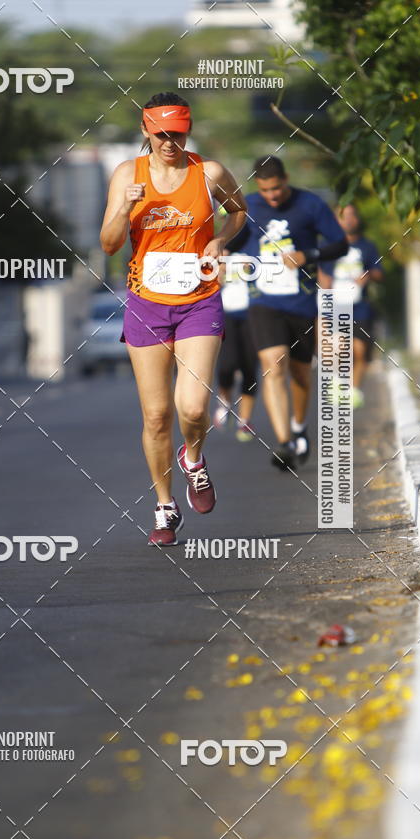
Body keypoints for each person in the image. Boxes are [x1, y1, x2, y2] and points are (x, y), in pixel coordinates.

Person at [100, 92, 246, 545]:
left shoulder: (210, 173)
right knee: (158, 414)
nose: (169, 142)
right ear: (146, 131)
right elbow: (107, 244)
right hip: (147, 304)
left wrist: (221, 240)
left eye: (177, 133)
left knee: (193, 407)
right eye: (161, 134)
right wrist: (125, 207)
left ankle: (195, 459)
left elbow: (240, 212)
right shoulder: (128, 174)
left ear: (188, 130)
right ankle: (165, 506)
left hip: (200, 299)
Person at [242, 156, 348, 471]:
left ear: (286, 179)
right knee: (273, 366)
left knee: (300, 372)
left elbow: (340, 245)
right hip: (263, 301)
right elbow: (230, 241)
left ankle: (299, 426)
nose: (272, 196)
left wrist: (309, 254)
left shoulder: (310, 204)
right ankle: (285, 442)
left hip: (301, 302)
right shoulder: (246, 207)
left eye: (276, 188)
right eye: (265, 190)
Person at [335, 203, 383, 409]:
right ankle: (339, 384)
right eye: (343, 216)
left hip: (360, 306)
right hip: (335, 305)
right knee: (340, 348)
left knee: (360, 350)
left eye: (352, 215)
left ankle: (354, 391)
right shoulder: (329, 245)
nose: (348, 220)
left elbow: (379, 273)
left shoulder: (368, 246)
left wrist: (368, 275)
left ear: (358, 219)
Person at [213, 222, 258, 441]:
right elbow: (212, 285)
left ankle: (245, 421)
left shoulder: (254, 250)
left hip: (252, 315)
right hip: (227, 314)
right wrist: (219, 273)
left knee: (249, 367)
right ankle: (225, 402)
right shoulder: (219, 251)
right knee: (228, 364)